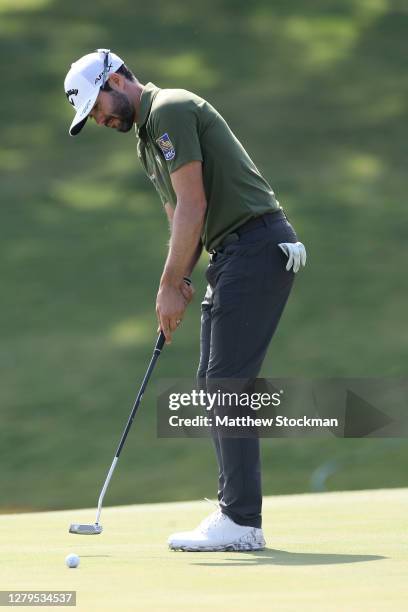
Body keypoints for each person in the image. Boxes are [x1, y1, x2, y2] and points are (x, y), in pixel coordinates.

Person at [64, 49, 306, 552]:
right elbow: (181, 219)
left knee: (226, 383)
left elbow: (194, 205)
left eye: (98, 106)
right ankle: (235, 514)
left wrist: (170, 284)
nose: (101, 119)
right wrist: (178, 278)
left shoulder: (169, 108)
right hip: (230, 253)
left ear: (115, 79)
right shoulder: (146, 142)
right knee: (212, 382)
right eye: (91, 116)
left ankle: (240, 520)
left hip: (257, 244)